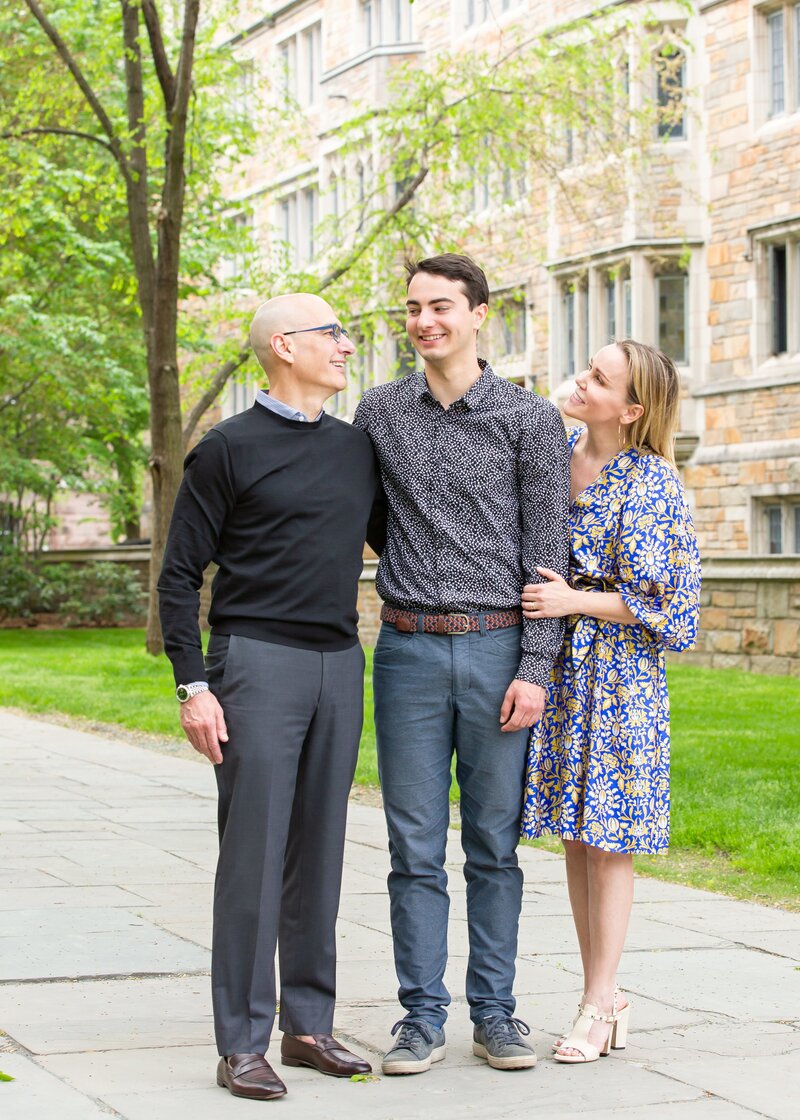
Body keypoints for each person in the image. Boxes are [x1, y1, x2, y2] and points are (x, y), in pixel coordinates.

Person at [157, 293, 385, 1101]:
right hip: (255, 664)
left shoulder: (358, 448)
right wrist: (195, 686)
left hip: (338, 663)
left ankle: (308, 1026)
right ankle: (241, 1042)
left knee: (321, 849)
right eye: (334, 334)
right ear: (284, 346)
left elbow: (406, 542)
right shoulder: (226, 449)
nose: (347, 346)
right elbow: (180, 577)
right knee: (253, 857)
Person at [354, 254, 571, 1076]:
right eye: (412, 308)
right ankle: (419, 1018)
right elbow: (372, 519)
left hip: (497, 651)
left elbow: (547, 552)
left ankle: (496, 1013)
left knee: (491, 842)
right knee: (412, 846)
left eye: (441, 306)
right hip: (406, 650)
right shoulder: (378, 413)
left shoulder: (528, 419)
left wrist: (536, 668)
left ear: (480, 313)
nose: (424, 322)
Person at [520, 339, 701, 1064]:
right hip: (561, 673)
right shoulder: (554, 454)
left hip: (621, 682)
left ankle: (599, 1001)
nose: (579, 381)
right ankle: (605, 994)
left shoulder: (652, 482)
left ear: (631, 410)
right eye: (585, 369)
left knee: (610, 843)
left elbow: (673, 605)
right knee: (574, 833)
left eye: (598, 379)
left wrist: (573, 600)